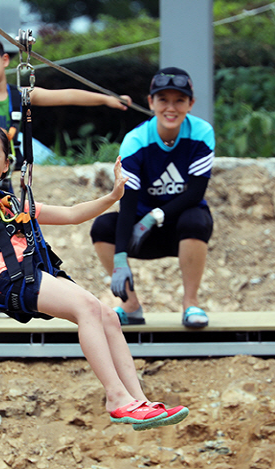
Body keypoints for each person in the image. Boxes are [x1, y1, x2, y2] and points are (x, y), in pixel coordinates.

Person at [0, 125, 189, 429]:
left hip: (32, 274)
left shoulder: (12, 204)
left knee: (107, 316)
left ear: (6, 165)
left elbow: (72, 214)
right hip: (8, 280)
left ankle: (137, 400)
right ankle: (116, 397)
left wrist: (113, 196)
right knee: (86, 308)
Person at [0, 33, 133, 319]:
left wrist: (107, 100)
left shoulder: (23, 95)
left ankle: (9, 284)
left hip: (4, 177)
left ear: (5, 60)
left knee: (4, 230)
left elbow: (66, 96)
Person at [90, 67, 214, 328]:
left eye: (179, 100)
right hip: (140, 232)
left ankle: (190, 304)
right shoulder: (135, 141)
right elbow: (128, 202)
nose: (171, 108)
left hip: (181, 229)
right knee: (102, 228)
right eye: (163, 100)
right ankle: (131, 306)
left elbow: (195, 193)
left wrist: (155, 216)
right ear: (151, 102)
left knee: (197, 218)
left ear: (191, 104)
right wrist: (121, 257)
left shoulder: (201, 133)